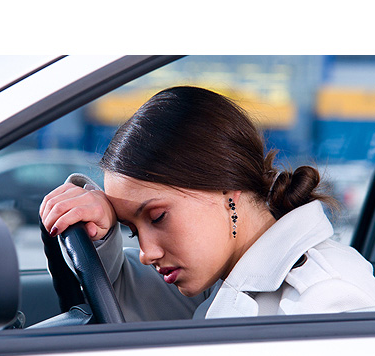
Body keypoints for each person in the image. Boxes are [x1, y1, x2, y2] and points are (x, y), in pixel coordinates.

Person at [40, 86, 375, 321]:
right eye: (131, 230)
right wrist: (98, 232)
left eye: (158, 217)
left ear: (228, 188)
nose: (146, 253)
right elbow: (123, 302)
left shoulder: (327, 299)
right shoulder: (220, 274)